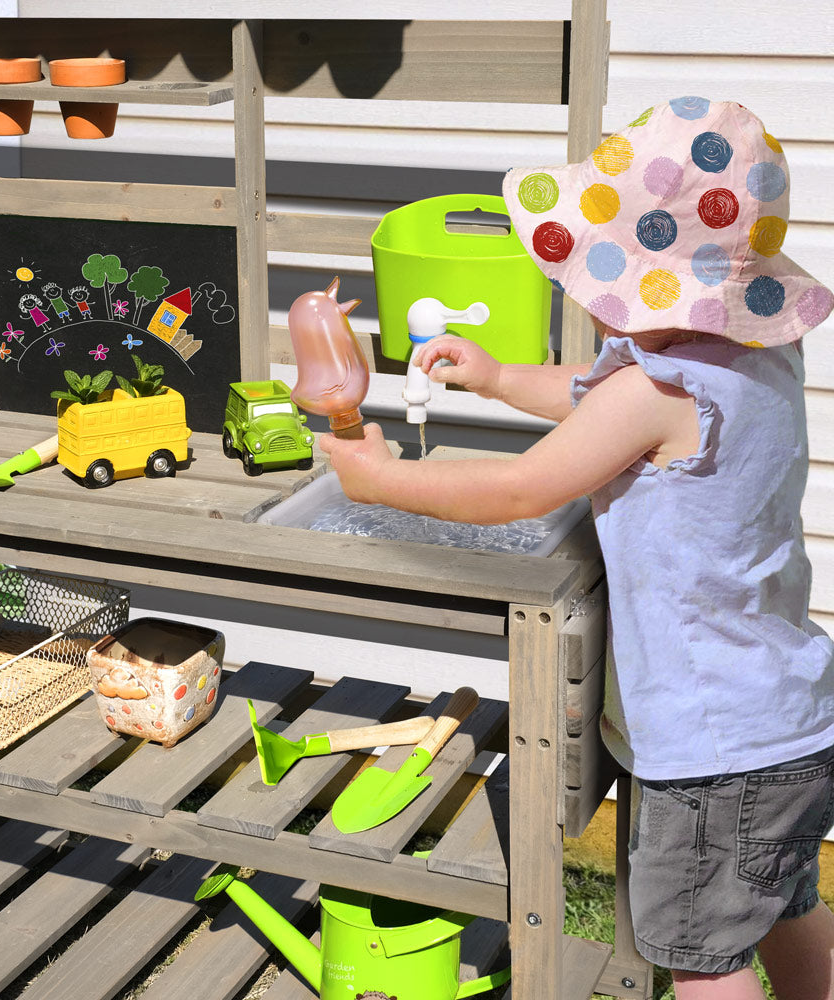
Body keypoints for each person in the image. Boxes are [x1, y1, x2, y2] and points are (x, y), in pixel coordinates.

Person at [319, 98, 834, 999]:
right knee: (784, 901)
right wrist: (498, 375)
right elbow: (593, 399)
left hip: (707, 742)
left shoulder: (655, 389)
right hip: (787, 717)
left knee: (700, 953)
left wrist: (383, 479)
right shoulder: (750, 358)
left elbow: (522, 487)